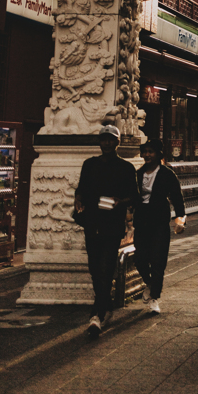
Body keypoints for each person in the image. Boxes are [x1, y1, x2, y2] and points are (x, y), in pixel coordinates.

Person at [74, 124, 139, 337]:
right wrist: (78, 202)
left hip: (112, 224)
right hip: (92, 222)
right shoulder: (89, 165)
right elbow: (80, 191)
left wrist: (121, 202)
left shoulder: (126, 168)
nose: (107, 143)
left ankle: (97, 315)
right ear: (99, 142)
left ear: (117, 142)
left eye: (111, 139)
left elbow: (134, 196)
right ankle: (106, 305)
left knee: (106, 267)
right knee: (94, 268)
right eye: (104, 139)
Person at [134, 138, 186, 315]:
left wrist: (180, 218)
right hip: (141, 222)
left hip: (159, 222)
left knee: (158, 260)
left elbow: (177, 198)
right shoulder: (138, 174)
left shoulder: (167, 174)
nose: (147, 155)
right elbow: (133, 197)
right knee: (139, 258)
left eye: (151, 152)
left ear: (158, 154)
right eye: (145, 151)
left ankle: (155, 298)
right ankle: (149, 283)